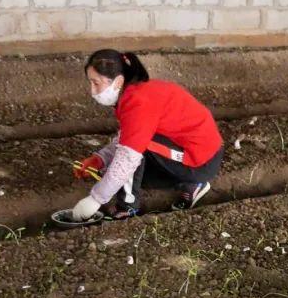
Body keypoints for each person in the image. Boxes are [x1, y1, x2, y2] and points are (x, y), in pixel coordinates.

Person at [71, 49, 224, 220]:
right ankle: (191, 185)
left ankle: (127, 207)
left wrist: (95, 199)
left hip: (200, 160)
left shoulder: (138, 103)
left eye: (96, 83)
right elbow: (128, 136)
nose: (92, 91)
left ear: (118, 81)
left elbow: (128, 155)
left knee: (129, 158)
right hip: (197, 152)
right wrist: (100, 159)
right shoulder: (135, 94)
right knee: (118, 167)